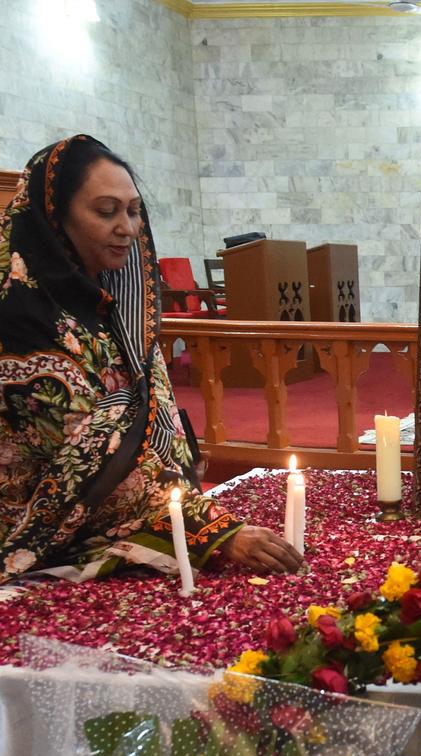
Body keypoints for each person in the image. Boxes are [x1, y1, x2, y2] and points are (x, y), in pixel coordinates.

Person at [0, 135, 301, 585]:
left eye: (133, 210)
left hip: (146, 508)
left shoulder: (111, 305)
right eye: (106, 212)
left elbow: (145, 411)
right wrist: (212, 531)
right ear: (53, 219)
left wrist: (187, 487)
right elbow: (87, 462)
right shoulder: (20, 317)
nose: (128, 227)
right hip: (48, 534)